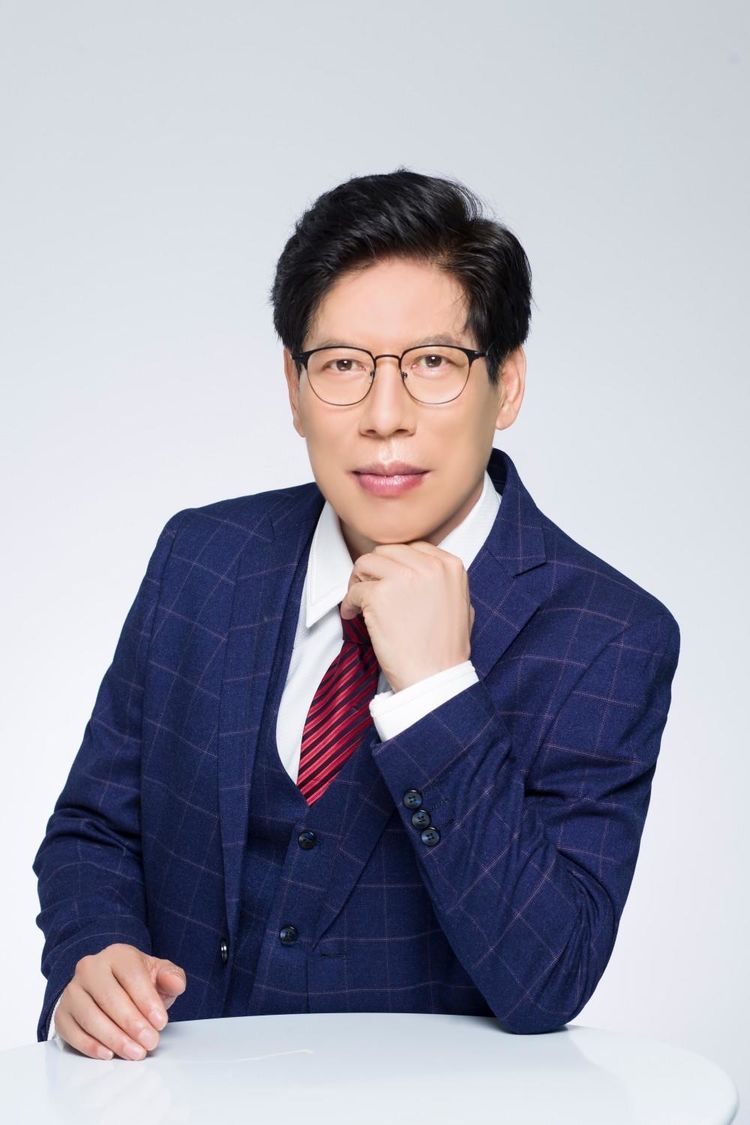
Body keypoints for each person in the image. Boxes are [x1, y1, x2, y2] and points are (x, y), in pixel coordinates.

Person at [34, 169, 681, 1061]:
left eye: (433, 364)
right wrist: (92, 952)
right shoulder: (202, 557)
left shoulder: (609, 634)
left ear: (508, 384)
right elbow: (94, 828)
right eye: (342, 365)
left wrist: (437, 694)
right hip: (171, 1102)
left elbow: (549, 974)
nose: (384, 417)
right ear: (294, 387)